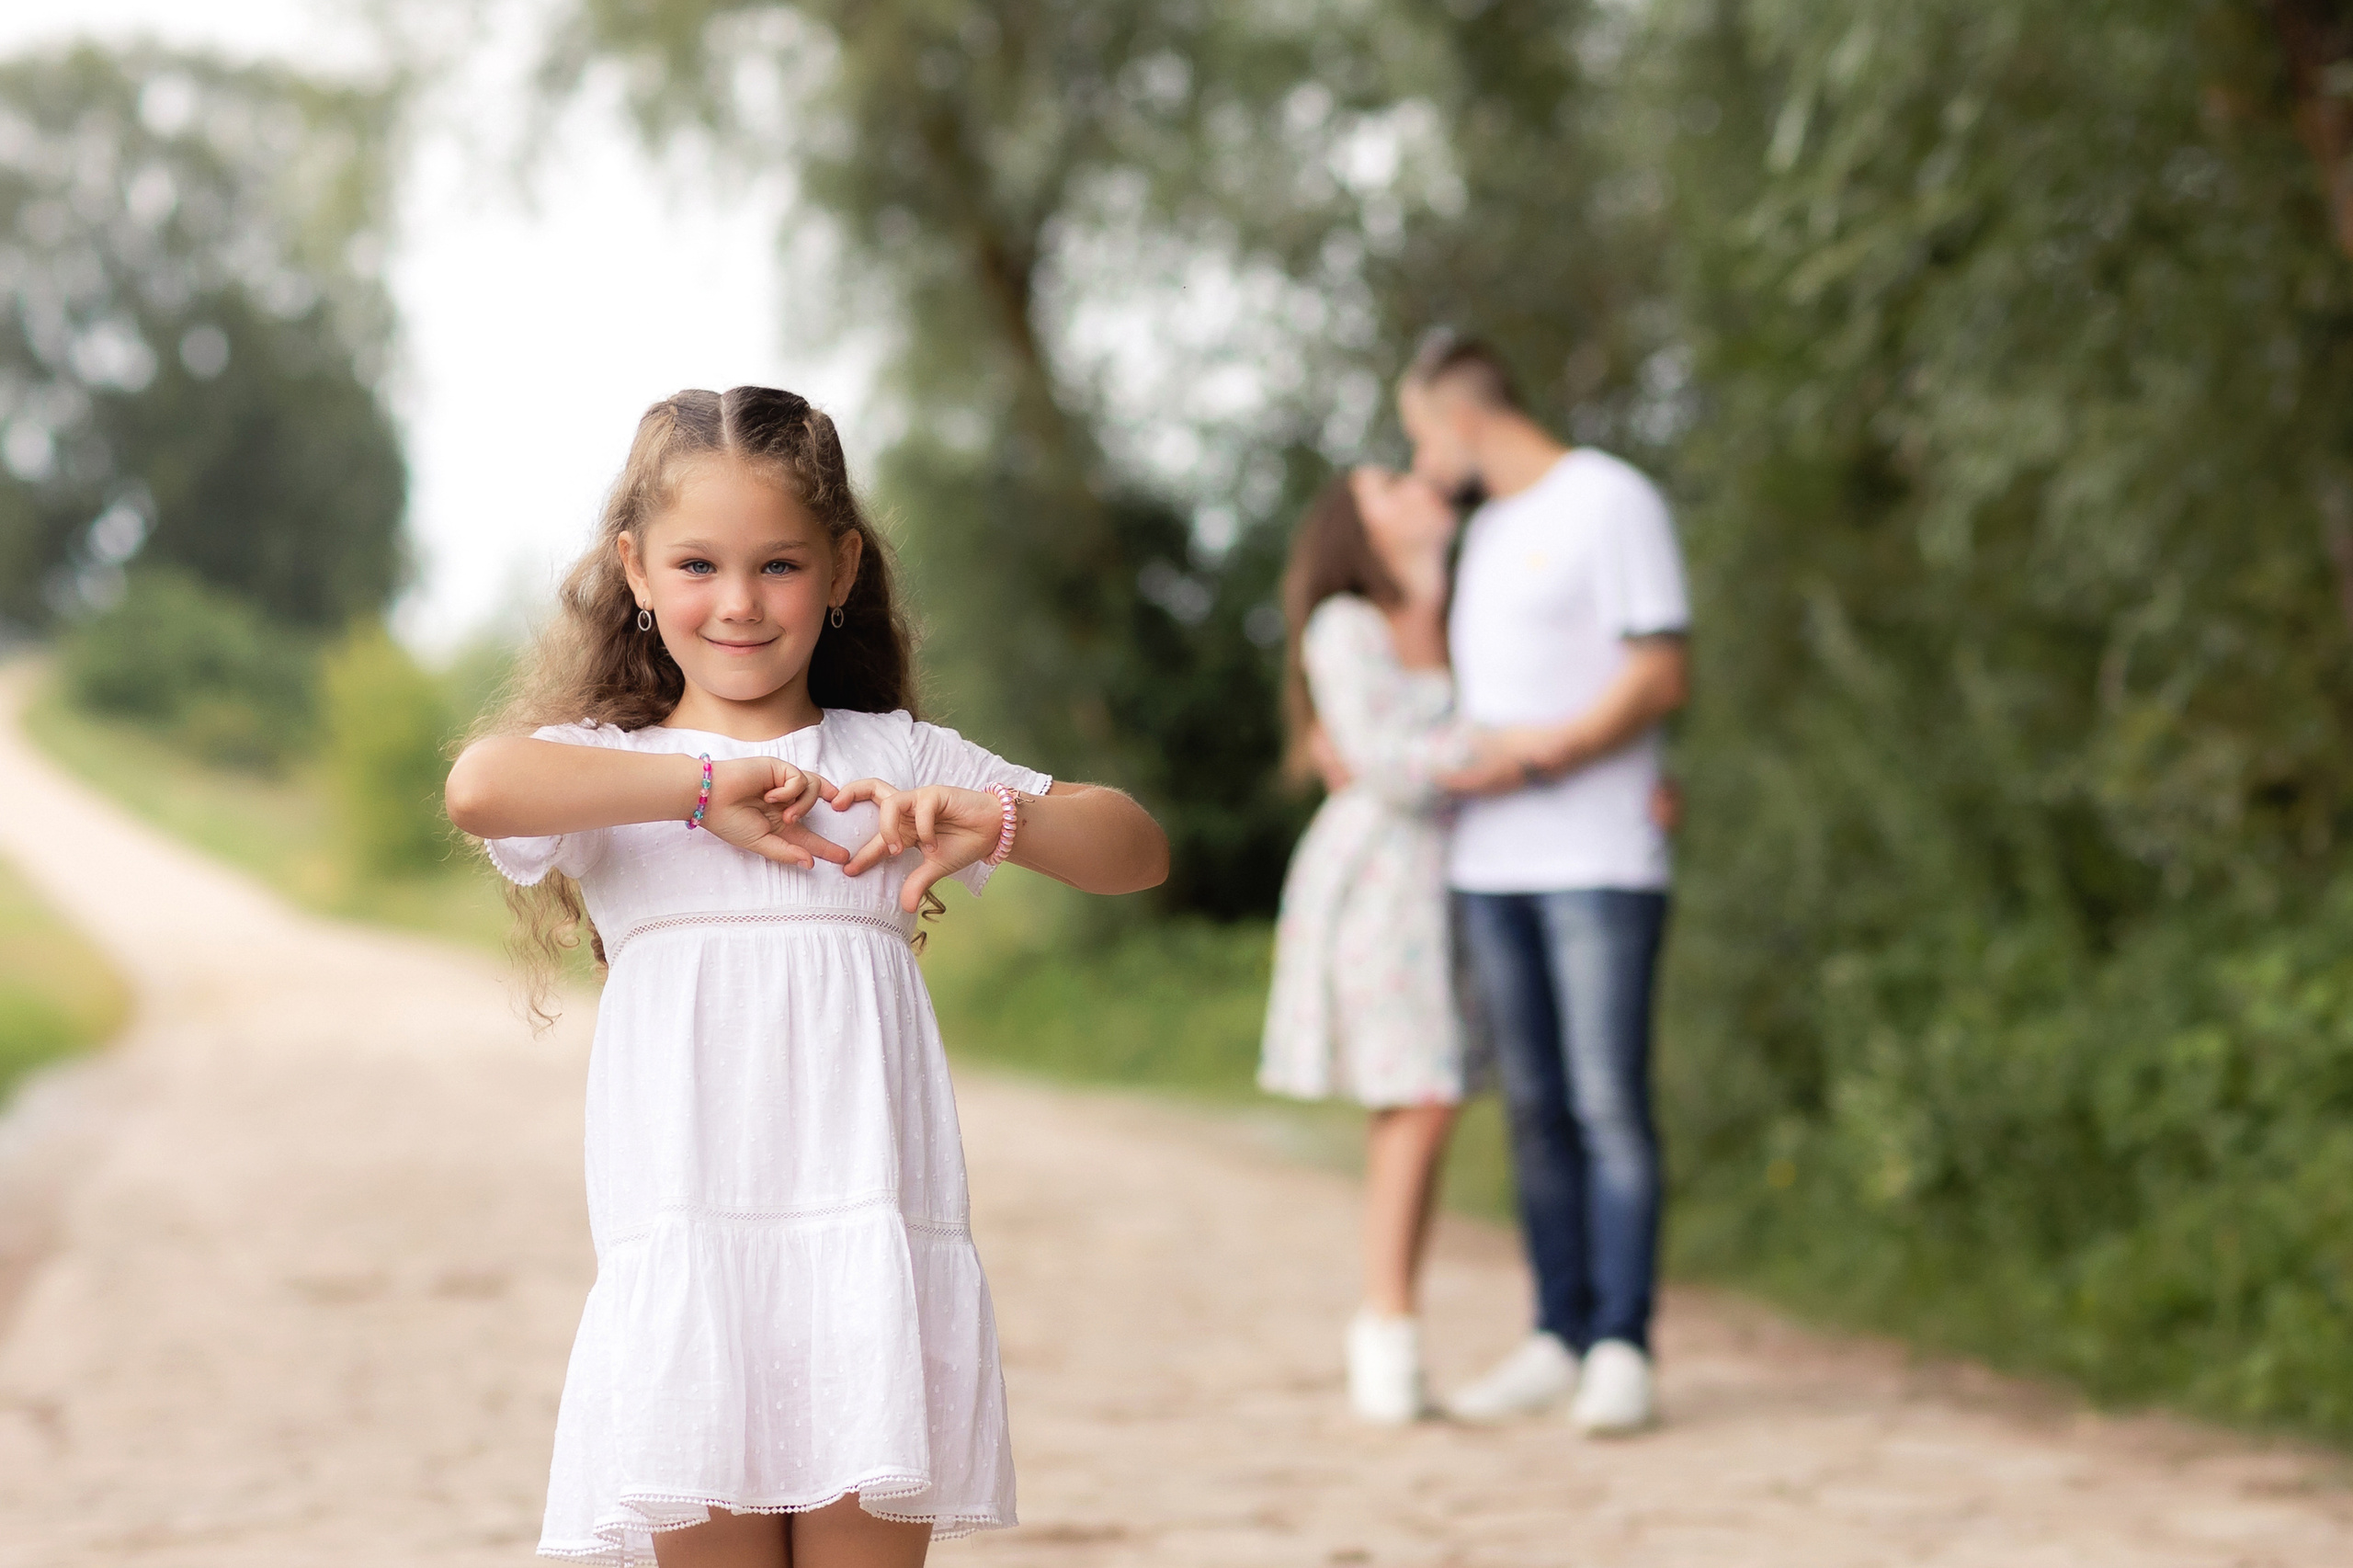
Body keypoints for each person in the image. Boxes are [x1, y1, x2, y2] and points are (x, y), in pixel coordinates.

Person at [442, 387, 1168, 1568]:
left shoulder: (890, 756)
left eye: (778, 564)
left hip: (867, 1261)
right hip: (694, 1250)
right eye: (697, 563)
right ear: (634, 570)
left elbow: (1133, 846)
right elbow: (482, 785)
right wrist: (694, 789)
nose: (737, 602)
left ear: (841, 570)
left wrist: (991, 816)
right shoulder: (617, 774)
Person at [1398, 334, 1691, 1436]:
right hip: (1491, 866)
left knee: (1608, 1101)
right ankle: (1556, 1333)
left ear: (1463, 417)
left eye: (1423, 433)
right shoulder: (1489, 534)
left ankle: (1624, 1342)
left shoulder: (1610, 499)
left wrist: (1537, 757)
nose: (1424, 460)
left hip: (1598, 858)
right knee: (1533, 1111)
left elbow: (1659, 668)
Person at [1259, 465, 1505, 1424]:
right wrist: (1517, 753)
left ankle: (1396, 1322)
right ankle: (1387, 1323)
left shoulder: (1473, 612)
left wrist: (1487, 756)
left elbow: (1408, 755)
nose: (1416, 486)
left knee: (1431, 1094)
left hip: (1471, 871)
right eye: (1389, 484)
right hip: (1384, 881)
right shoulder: (1346, 625)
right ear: (1357, 526)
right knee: (1420, 1092)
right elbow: (1391, 770)